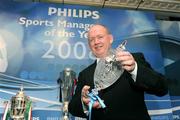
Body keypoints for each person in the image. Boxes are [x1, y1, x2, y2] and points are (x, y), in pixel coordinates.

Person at [68, 24, 168, 120]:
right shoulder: (85, 74)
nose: (96, 42)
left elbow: (162, 87)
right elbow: (72, 107)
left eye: (100, 37)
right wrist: (84, 102)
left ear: (110, 38)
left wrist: (135, 69)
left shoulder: (133, 59)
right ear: (89, 45)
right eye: (91, 40)